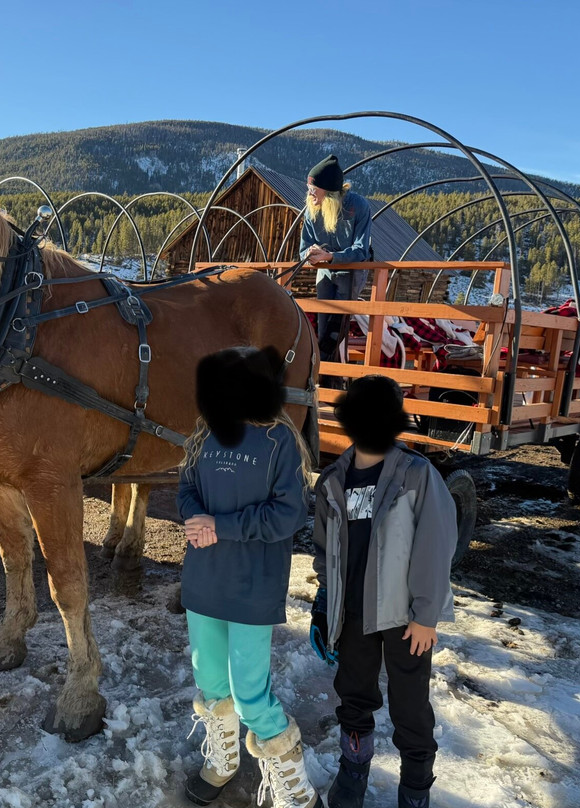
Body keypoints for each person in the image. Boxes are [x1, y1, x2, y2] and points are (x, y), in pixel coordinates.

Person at [178, 346, 322, 808]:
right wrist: (195, 516)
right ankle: (223, 762)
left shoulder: (281, 440)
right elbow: (185, 489)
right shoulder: (204, 435)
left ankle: (295, 787)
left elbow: (289, 515)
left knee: (250, 694)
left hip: (252, 587)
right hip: (203, 582)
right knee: (211, 682)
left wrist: (221, 526)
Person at [309, 375, 457, 808]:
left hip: (405, 618)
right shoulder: (333, 480)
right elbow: (323, 550)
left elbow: (435, 545)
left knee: (410, 709)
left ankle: (415, 790)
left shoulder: (416, 476)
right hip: (352, 615)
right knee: (354, 697)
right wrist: (325, 604)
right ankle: (353, 772)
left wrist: (427, 614)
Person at [299, 155, 372, 363]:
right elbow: (303, 249)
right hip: (324, 271)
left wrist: (331, 256)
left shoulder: (358, 206)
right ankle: (328, 377)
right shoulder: (311, 210)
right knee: (323, 327)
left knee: (335, 327)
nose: (310, 193)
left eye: (314, 189)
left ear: (329, 192)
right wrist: (309, 254)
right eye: (309, 188)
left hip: (351, 271)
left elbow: (361, 251)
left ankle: (330, 375)